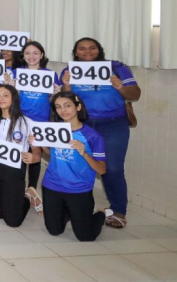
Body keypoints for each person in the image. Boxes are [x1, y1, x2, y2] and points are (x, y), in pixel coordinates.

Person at [60, 38, 140, 229]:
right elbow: (64, 99)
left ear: (99, 50)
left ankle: (119, 211)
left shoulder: (117, 68)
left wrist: (120, 87)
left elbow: (135, 94)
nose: (87, 52)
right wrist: (67, 85)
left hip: (113, 125)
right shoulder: (69, 71)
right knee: (77, 164)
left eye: (92, 48)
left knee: (112, 168)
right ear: (75, 52)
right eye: (82, 49)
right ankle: (76, 207)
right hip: (83, 125)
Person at [42, 91, 108, 242]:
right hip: (52, 186)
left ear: (78, 107)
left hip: (79, 189)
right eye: (58, 107)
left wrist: (84, 153)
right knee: (54, 231)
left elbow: (102, 169)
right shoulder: (53, 129)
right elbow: (51, 155)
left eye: (67, 106)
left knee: (86, 237)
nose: (63, 110)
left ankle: (101, 214)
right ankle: (68, 210)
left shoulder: (92, 136)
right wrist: (39, 144)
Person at [0, 85, 41, 227]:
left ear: (14, 98)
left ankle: (27, 197)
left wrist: (35, 157)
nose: (1, 99)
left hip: (14, 170)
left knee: (13, 221)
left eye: (5, 95)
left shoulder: (27, 122)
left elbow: (37, 150)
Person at [11, 40, 60, 212]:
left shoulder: (51, 75)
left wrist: (56, 94)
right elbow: (12, 99)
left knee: (35, 153)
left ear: (42, 55)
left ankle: (31, 188)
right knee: (20, 152)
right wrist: (12, 87)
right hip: (20, 120)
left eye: (35, 53)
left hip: (41, 121)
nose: (31, 56)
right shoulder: (16, 73)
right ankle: (18, 188)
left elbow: (54, 102)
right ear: (23, 56)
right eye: (27, 53)